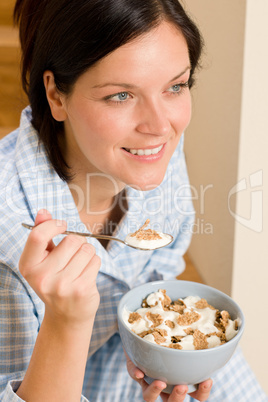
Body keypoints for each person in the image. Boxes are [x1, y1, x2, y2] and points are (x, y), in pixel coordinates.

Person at [0, 0, 267, 401]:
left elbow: (161, 267)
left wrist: (165, 359)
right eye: (121, 95)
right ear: (56, 95)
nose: (161, 126)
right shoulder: (9, 234)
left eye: (176, 86)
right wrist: (66, 322)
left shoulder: (152, 148)